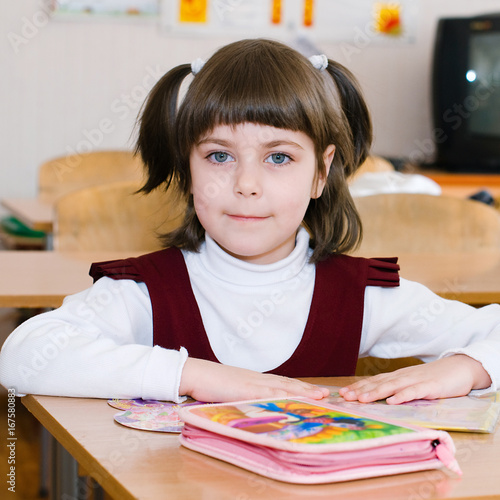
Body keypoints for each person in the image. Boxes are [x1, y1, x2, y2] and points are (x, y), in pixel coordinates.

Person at [0, 39, 498, 406]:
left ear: (321, 174)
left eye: (279, 158)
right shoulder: (147, 290)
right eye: (219, 156)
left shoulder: (360, 293)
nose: (246, 184)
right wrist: (190, 375)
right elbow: (24, 354)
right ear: (188, 169)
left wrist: (469, 367)